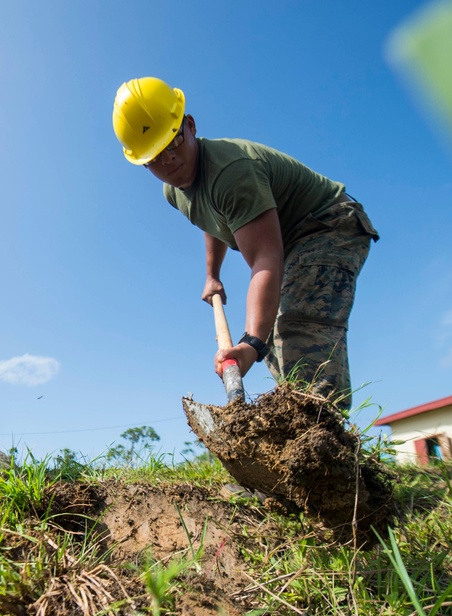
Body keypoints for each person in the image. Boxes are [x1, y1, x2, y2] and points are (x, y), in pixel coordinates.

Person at [112, 77, 378, 410]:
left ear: (190, 125)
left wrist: (250, 341)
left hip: (328, 225)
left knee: (297, 325)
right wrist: (213, 275)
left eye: (173, 142)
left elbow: (266, 256)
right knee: (275, 345)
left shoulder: (231, 171)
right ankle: (301, 438)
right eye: (153, 158)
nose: (168, 161)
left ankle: (324, 438)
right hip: (292, 240)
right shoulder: (174, 190)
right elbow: (210, 217)